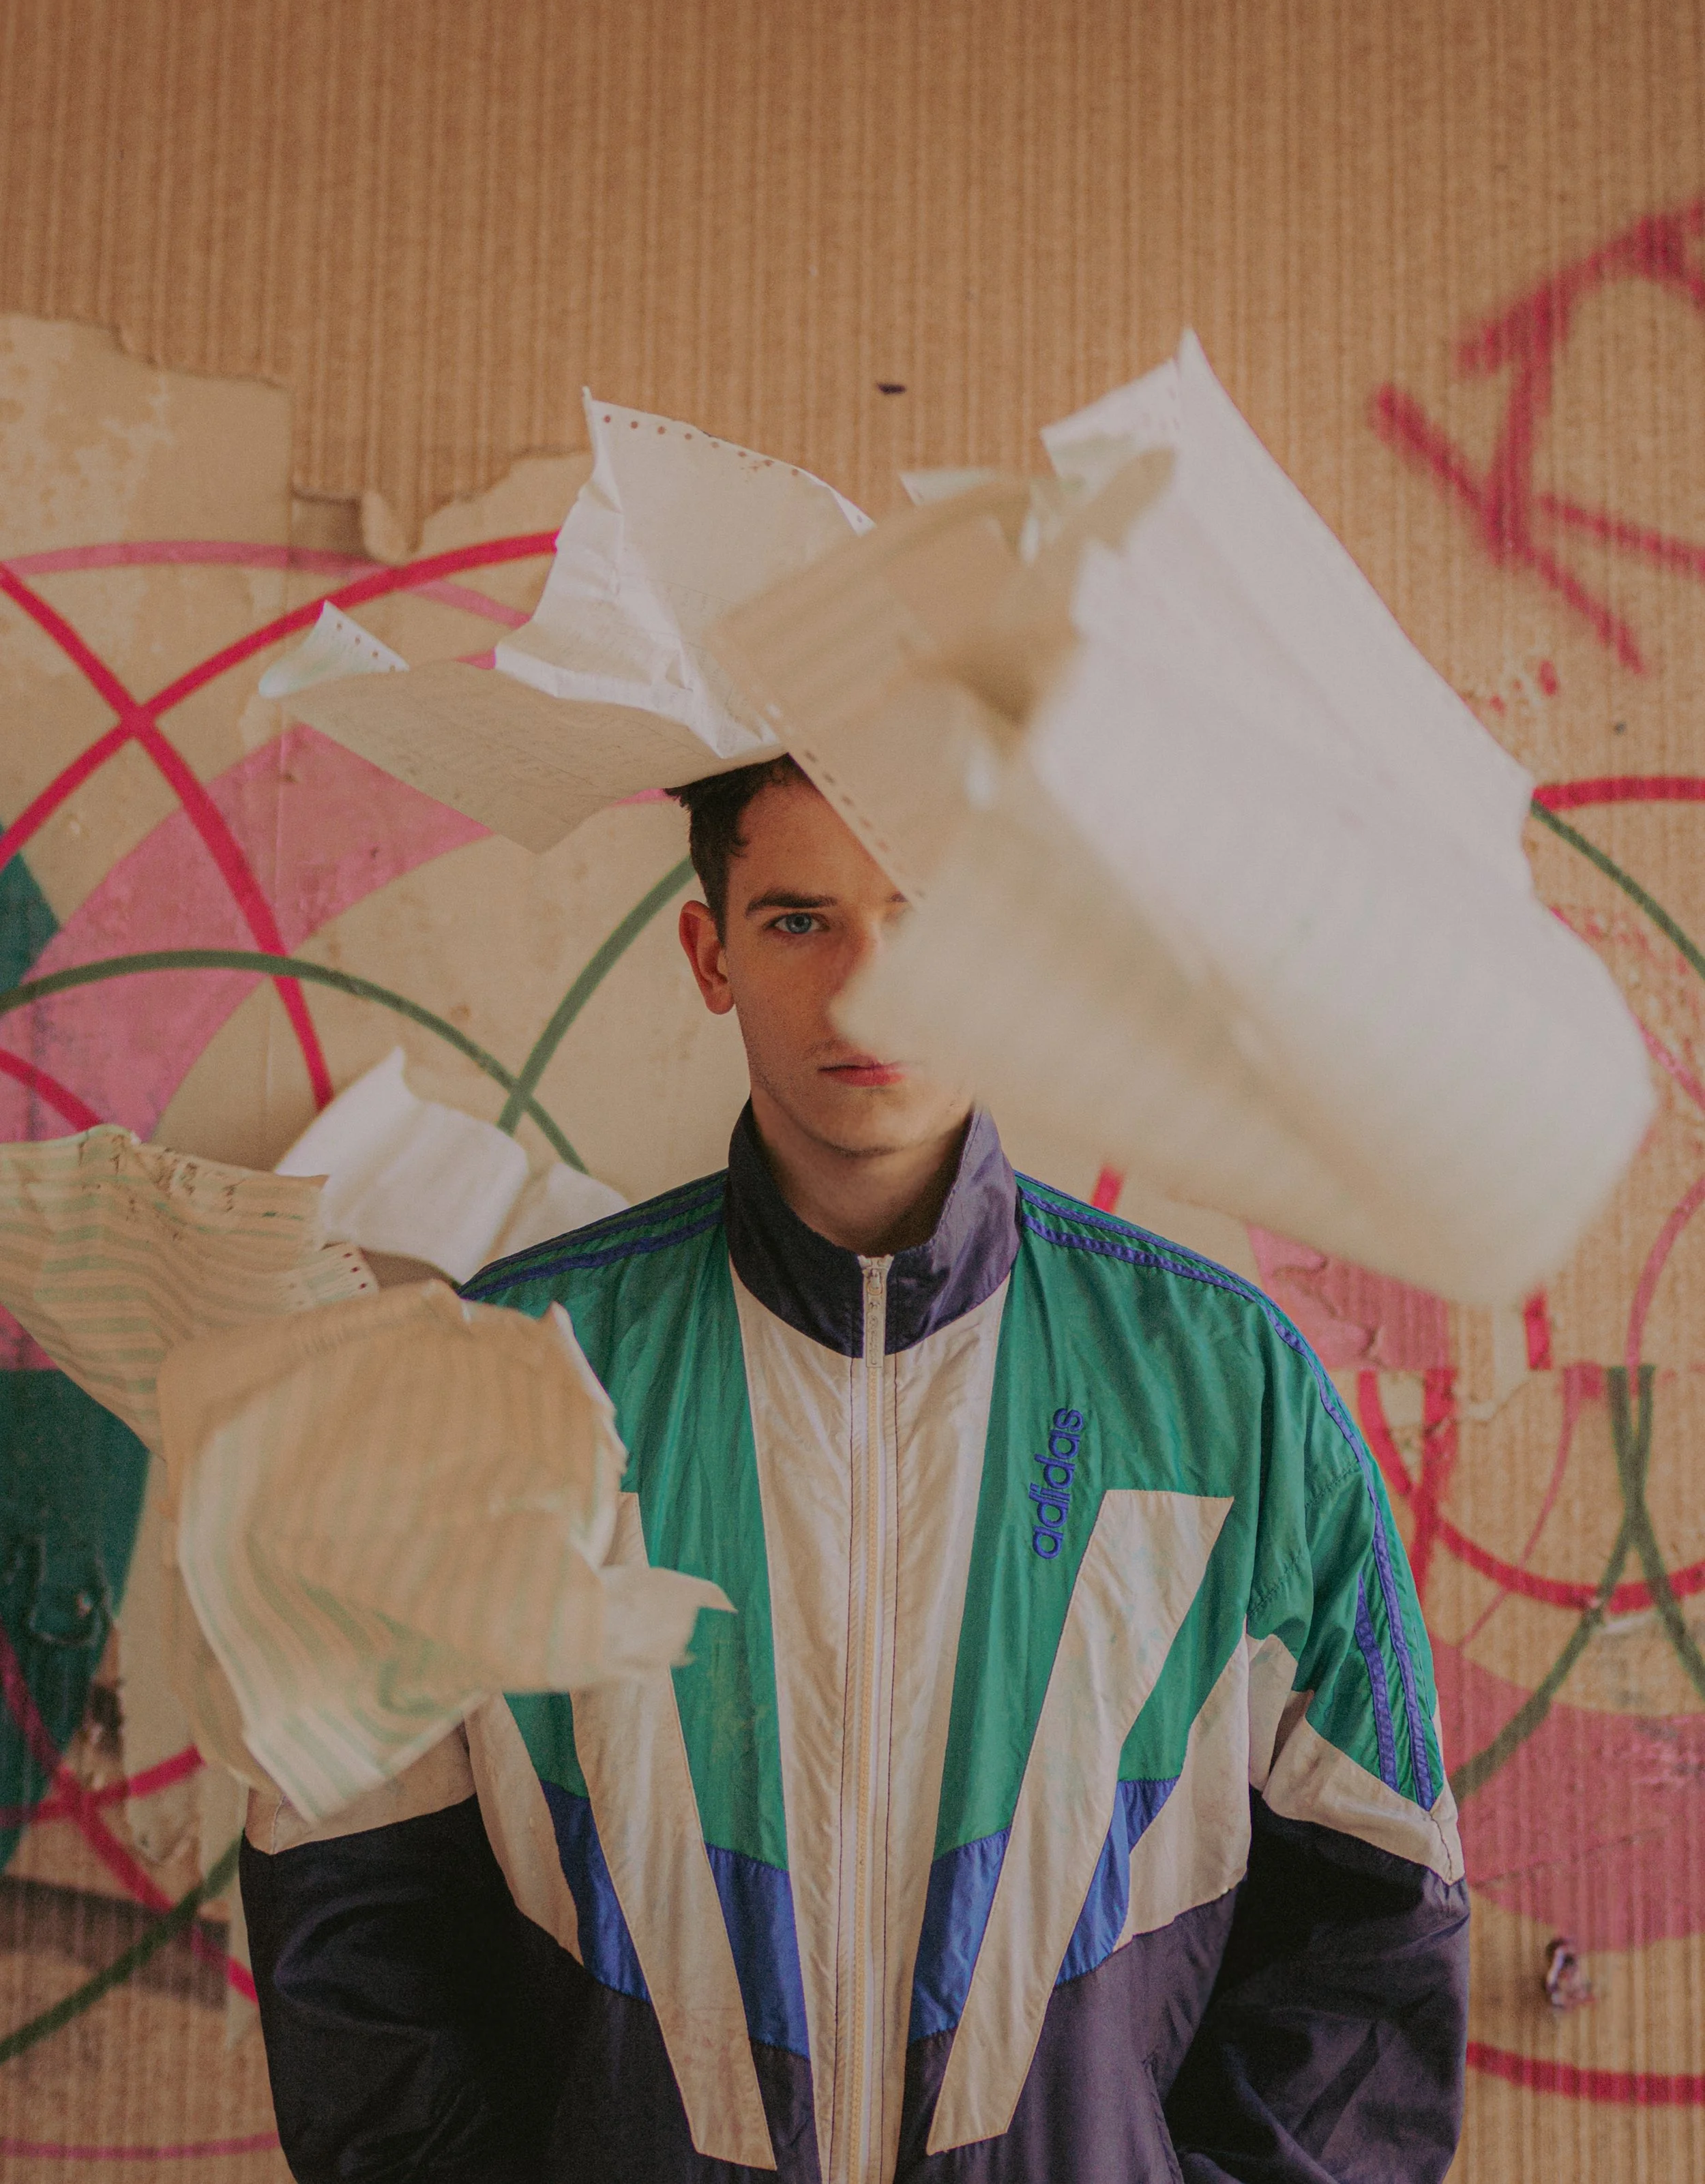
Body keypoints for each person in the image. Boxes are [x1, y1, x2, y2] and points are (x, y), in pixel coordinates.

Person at [241, 756, 1469, 2184]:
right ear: (709, 953)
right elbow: (355, 1924)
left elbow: (1375, 1937)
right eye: (797, 920)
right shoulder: (496, 1380)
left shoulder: (1226, 1391)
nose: (868, 987)